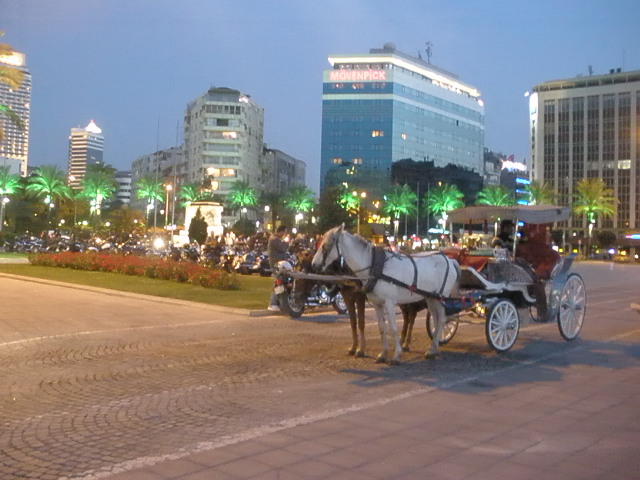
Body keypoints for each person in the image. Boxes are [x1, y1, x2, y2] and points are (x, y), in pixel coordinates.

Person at [267, 225, 290, 311]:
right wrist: (286, 241)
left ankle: (279, 303)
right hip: (276, 264)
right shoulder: (274, 239)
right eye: (284, 232)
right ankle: (272, 303)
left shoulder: (275, 239)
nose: (284, 234)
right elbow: (283, 248)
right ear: (280, 231)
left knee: (281, 283)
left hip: (279, 264)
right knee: (278, 282)